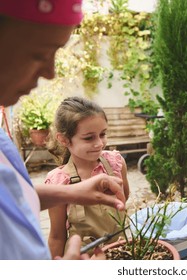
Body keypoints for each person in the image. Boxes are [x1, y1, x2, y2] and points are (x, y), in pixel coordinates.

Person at [0, 0, 126, 260]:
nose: (50, 72)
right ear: (64, 140)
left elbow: (11, 195)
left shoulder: (114, 163)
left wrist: (71, 193)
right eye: (39, 54)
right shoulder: (59, 176)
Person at [45, 96, 130, 258]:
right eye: (89, 137)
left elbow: (124, 197)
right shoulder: (58, 182)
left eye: (102, 134)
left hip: (121, 251)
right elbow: (57, 237)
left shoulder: (116, 163)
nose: (99, 143)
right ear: (63, 139)